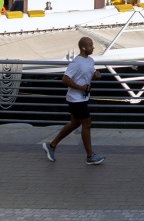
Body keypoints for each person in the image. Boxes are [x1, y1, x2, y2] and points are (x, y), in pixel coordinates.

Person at [41, 36, 104, 164]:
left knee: (75, 124)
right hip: (75, 99)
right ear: (83, 47)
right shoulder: (75, 63)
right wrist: (80, 87)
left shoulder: (90, 61)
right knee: (86, 124)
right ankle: (90, 156)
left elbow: (88, 75)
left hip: (83, 97)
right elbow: (65, 79)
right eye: (91, 45)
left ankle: (51, 146)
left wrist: (96, 76)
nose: (93, 48)